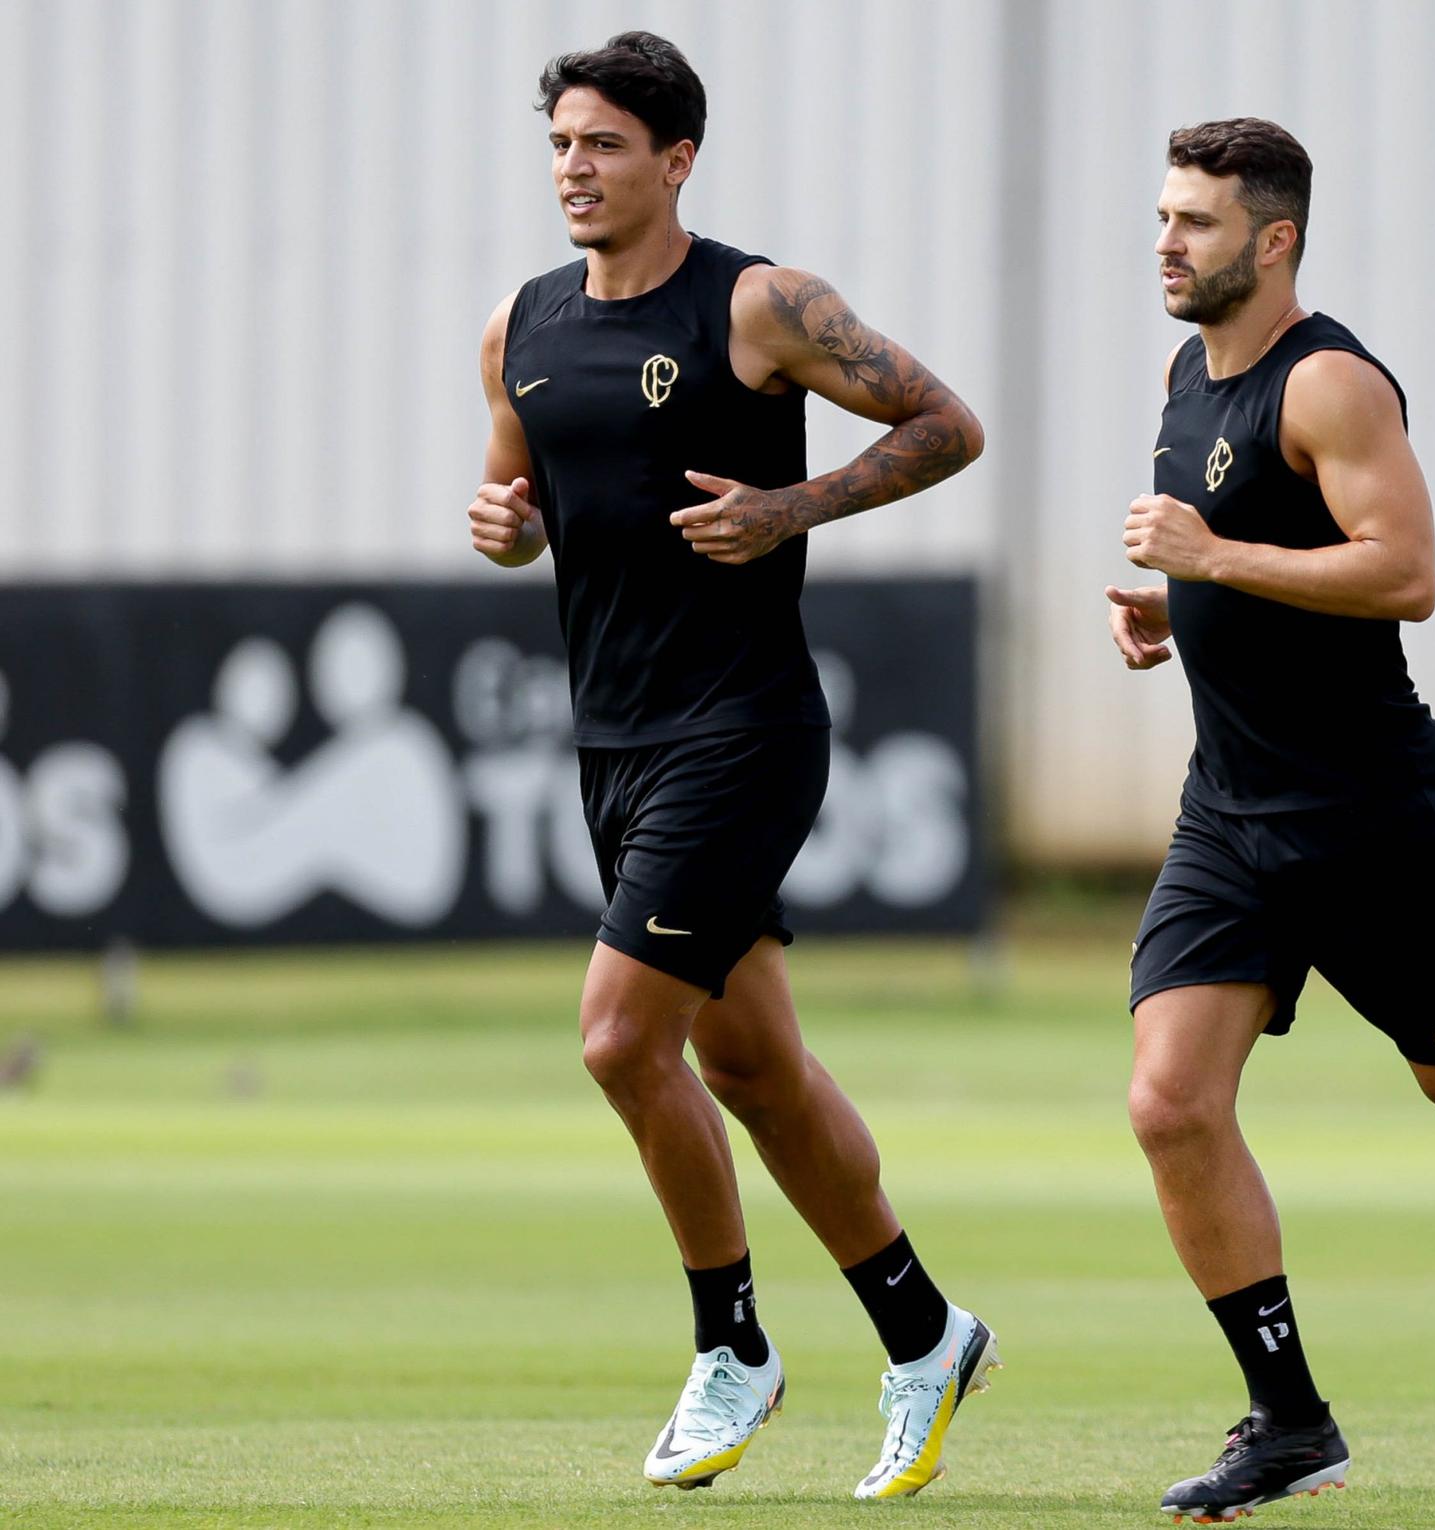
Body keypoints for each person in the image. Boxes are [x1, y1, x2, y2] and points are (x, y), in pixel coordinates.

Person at [466, 30, 995, 1501]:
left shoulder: (760, 304)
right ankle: (925, 1331)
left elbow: (948, 423)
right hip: (612, 742)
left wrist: (791, 505)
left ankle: (734, 1345)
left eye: (604, 145)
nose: (574, 167)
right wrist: (507, 528)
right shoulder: (520, 323)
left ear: (674, 159)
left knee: (621, 1042)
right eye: (561, 143)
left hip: (744, 728)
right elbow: (519, 490)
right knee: (749, 1062)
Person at [1107, 118, 1435, 1529]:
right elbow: (1270, 555)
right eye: (1164, 216)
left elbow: (1404, 570)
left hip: (1369, 814)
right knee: (1170, 1101)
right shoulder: (1185, 370)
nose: (1167, 240)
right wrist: (1184, 607)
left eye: (1197, 223)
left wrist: (1210, 557)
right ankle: (1288, 1421)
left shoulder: (1330, 381)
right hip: (1232, 812)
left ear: (1274, 241)